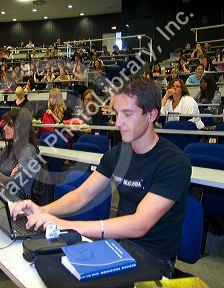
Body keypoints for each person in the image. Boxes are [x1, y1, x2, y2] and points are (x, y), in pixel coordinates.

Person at [10, 77, 191, 278]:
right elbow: (82, 195)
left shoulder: (174, 162)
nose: (118, 122)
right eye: (116, 114)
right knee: (47, 266)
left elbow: (140, 224)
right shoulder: (117, 153)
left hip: (155, 259)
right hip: (120, 246)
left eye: (127, 114)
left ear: (151, 114)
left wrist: (65, 224)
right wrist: (43, 210)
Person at [0, 108, 40, 200]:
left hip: (20, 203)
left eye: (9, 125)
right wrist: (6, 178)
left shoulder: (28, 151)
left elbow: (14, 184)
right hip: (4, 196)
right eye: (5, 124)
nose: (5, 128)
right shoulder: (8, 148)